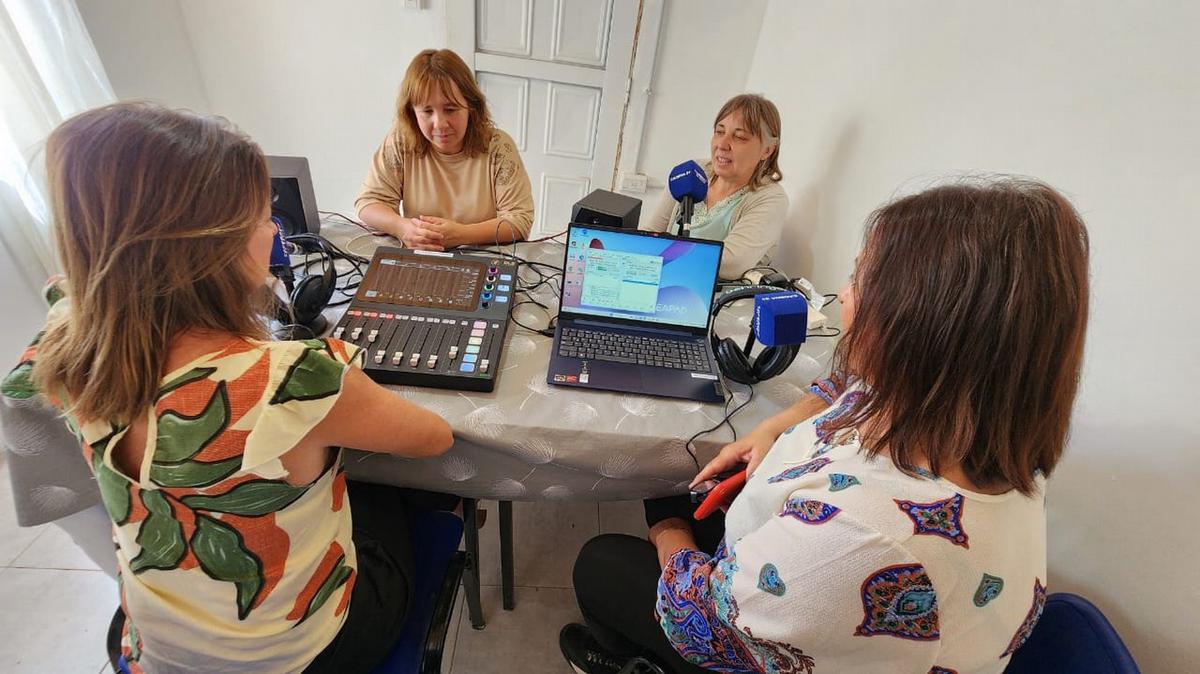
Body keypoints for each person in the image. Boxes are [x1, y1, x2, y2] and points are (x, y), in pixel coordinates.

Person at [564, 177, 1090, 673]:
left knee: (608, 555)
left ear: (916, 325)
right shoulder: (966, 415)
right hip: (799, 579)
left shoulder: (859, 536)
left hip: (738, 626)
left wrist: (669, 532)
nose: (845, 294)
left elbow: (697, 621)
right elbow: (845, 384)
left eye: (860, 277)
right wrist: (774, 430)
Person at [19, 102, 455, 673]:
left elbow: (66, 292)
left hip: (159, 651)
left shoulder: (63, 345)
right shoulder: (291, 379)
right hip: (303, 654)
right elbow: (434, 439)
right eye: (261, 216)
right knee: (398, 492)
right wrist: (335, 362)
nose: (274, 229)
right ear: (209, 249)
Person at [356, 48, 534, 250]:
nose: (439, 123)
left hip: (482, 257)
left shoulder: (498, 147)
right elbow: (368, 203)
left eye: (450, 110)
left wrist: (461, 234)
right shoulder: (400, 141)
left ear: (471, 106)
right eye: (427, 111)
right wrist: (402, 227)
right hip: (421, 256)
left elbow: (519, 220)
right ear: (412, 112)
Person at [641, 93, 788, 281]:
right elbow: (648, 234)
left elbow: (729, 264)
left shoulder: (770, 199)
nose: (722, 144)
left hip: (718, 303)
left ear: (767, 150)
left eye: (740, 137)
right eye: (719, 132)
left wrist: (659, 255)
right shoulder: (692, 172)